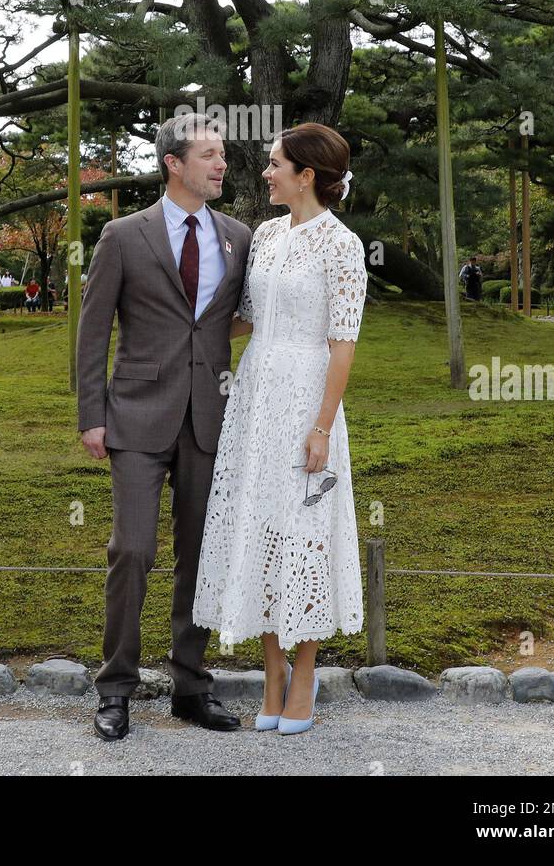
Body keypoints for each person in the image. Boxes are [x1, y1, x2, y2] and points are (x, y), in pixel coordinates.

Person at [76, 113, 252, 742]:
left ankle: (190, 686)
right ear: (174, 163)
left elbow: (232, 318)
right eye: (210, 154)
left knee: (199, 557)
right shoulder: (123, 235)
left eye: (224, 154)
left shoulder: (238, 235)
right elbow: (93, 330)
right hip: (134, 418)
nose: (222, 164)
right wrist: (91, 415)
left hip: (210, 417)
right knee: (132, 550)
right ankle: (116, 687)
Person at [192, 123, 368, 735]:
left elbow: (342, 346)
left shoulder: (342, 246)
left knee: (306, 528)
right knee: (261, 524)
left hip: (308, 402)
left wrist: (321, 428)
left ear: (306, 176)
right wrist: (179, 330)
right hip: (255, 395)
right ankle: (271, 674)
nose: (264, 173)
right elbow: (242, 319)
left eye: (274, 164)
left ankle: (305, 674)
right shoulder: (265, 235)